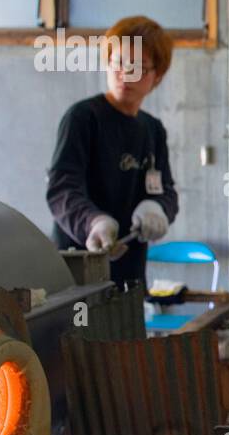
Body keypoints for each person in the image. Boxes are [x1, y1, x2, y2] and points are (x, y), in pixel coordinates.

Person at [47, 15, 178, 287]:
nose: (126, 74)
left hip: (129, 276)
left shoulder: (152, 130)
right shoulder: (83, 118)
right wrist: (92, 222)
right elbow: (62, 189)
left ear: (157, 76)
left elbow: (166, 191)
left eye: (139, 67)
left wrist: (158, 208)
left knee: (126, 329)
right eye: (119, 62)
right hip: (78, 270)